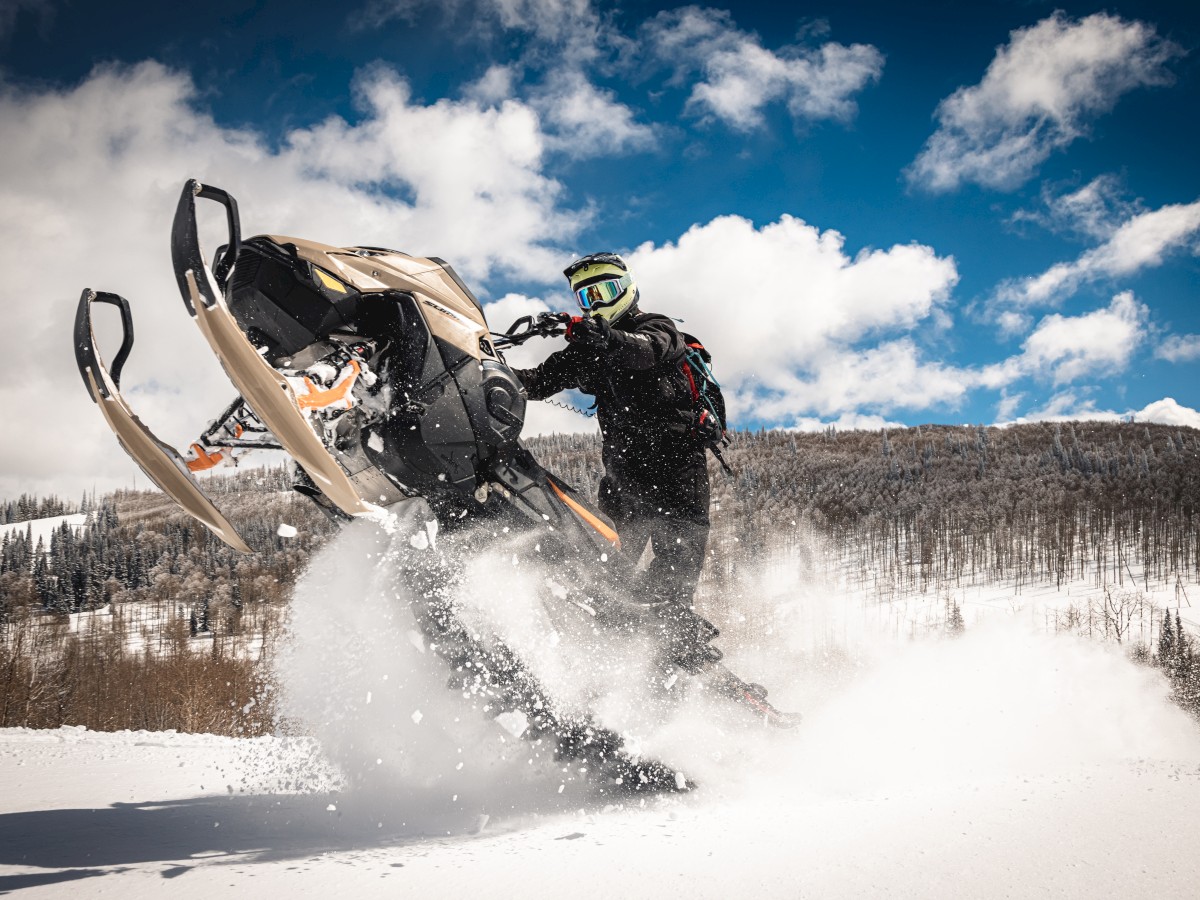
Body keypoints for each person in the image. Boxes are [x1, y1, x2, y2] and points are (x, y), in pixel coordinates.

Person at [512, 253, 721, 671]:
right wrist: (482, 370)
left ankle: (672, 637)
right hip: (625, 472)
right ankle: (612, 626)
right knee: (609, 557)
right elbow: (537, 380)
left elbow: (646, 352)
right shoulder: (588, 349)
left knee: (676, 557)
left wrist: (592, 333)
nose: (595, 301)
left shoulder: (655, 327)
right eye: (586, 295)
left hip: (677, 464)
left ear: (626, 288)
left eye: (604, 291)